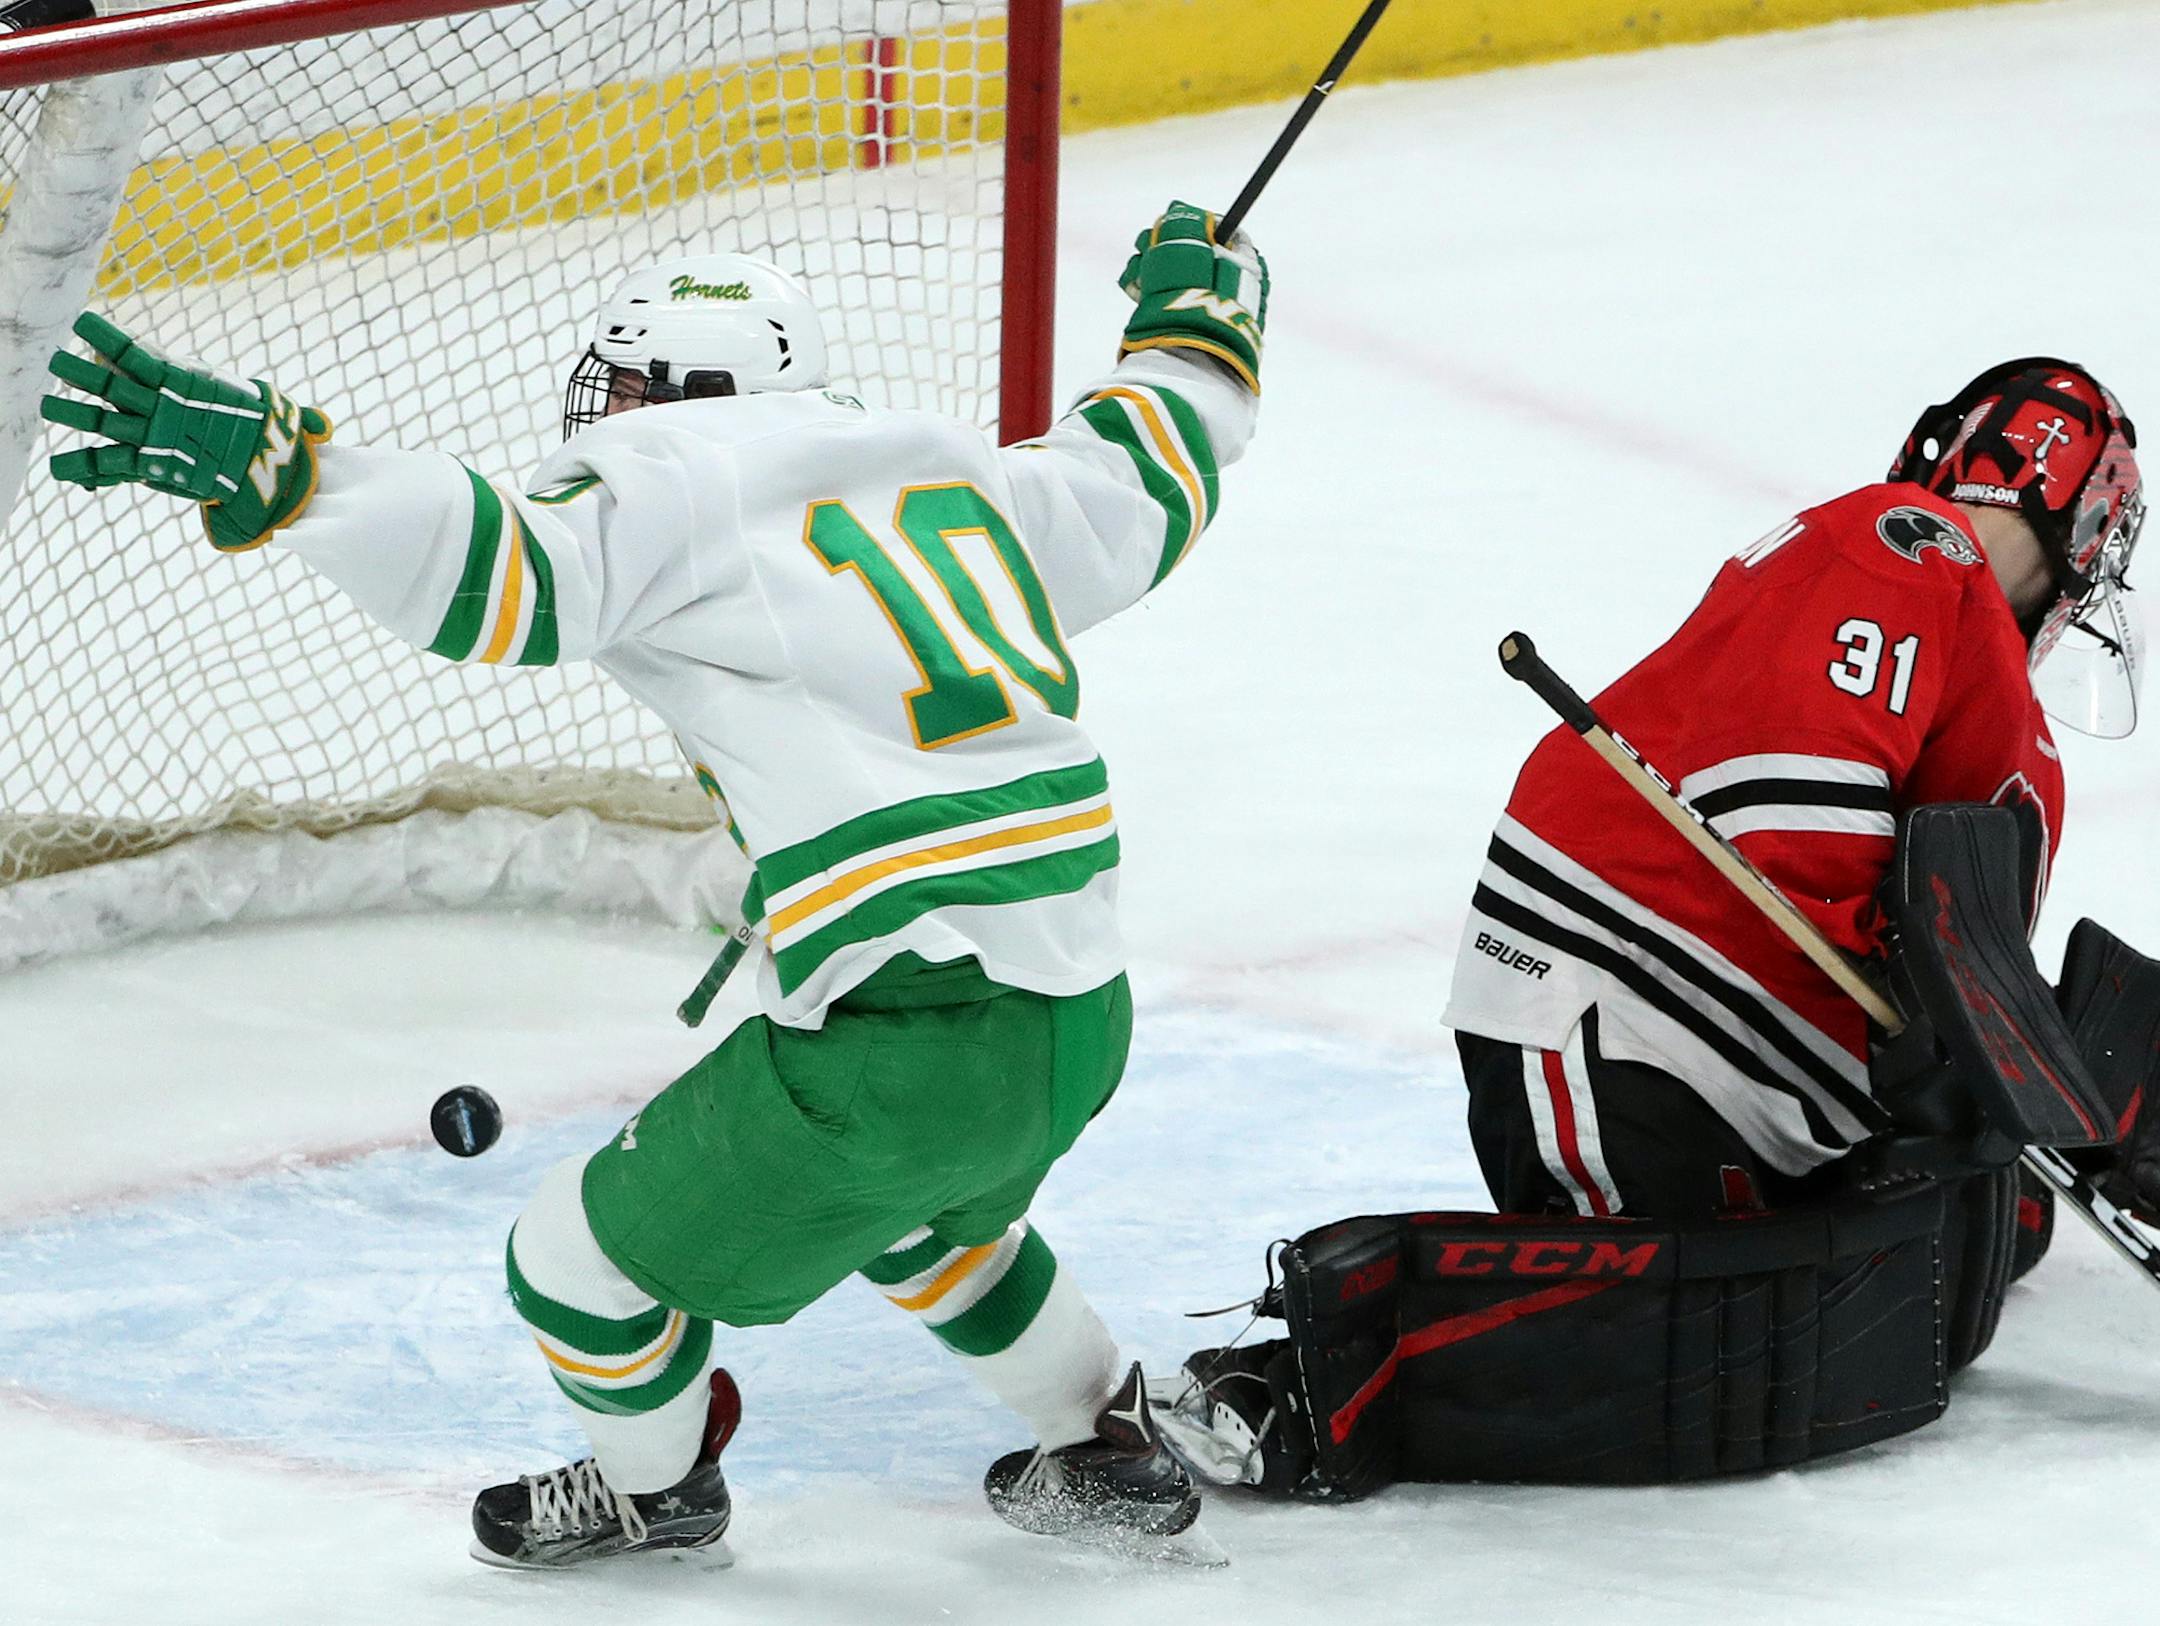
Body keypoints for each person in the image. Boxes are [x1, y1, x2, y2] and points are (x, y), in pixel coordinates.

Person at [40, 201, 1268, 1565]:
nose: (605, 415)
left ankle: (654, 1487)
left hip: (912, 1033)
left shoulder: (684, 475)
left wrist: (296, 476)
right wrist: (1193, 336)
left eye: (627, 384)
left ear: (700, 395)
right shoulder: (950, 475)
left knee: (572, 1264)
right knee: (923, 1220)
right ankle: (1096, 1428)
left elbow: (502, 574)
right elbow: (1144, 476)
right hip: (1080, 1014)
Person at [1149, 359, 2149, 1498]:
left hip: (1770, 1079)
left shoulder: (1999, 690)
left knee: (1949, 1257)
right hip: (1634, 1015)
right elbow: (1792, 801)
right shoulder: (1906, 543)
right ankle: (1309, 1379)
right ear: (2092, 529)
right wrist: (1922, 1017)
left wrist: (1976, 1066)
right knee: (1696, 1340)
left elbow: (1957, 934)